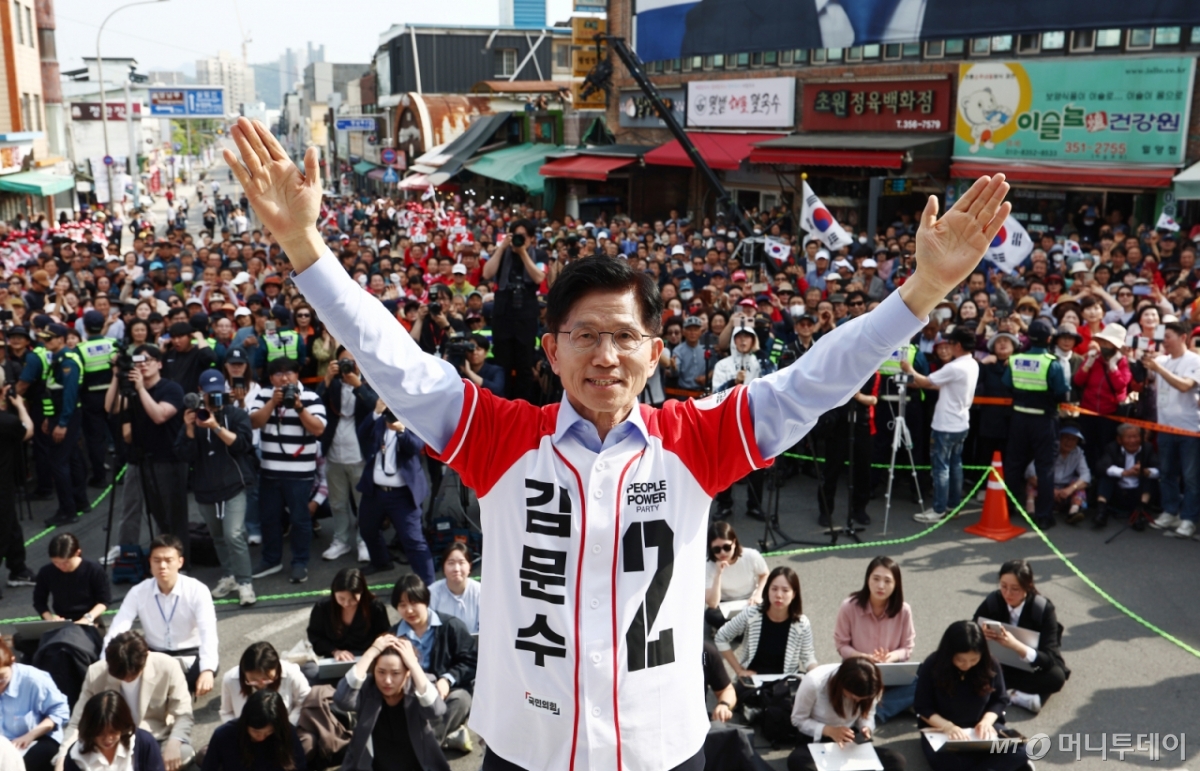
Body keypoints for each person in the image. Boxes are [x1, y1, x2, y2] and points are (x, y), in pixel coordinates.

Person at [226, 116, 1012, 771]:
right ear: (552, 349)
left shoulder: (695, 440)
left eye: (624, 336)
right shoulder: (502, 437)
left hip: (659, 747)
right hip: (527, 747)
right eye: (585, 335)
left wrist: (924, 293)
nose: (605, 355)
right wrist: (306, 248)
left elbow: (813, 380)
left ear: (656, 352)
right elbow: (392, 360)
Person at [102, 535, 219, 698]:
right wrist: (105, 663)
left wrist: (207, 670)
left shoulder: (198, 590)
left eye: (168, 560)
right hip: (153, 653)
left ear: (180, 562)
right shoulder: (138, 592)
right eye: (157, 560)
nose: (162, 565)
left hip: (191, 652)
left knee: (182, 682)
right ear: (149, 562)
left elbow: (208, 634)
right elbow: (117, 629)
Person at [176, 370, 257, 606]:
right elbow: (183, 455)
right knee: (218, 536)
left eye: (218, 392)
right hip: (205, 487)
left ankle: (245, 583)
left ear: (225, 390)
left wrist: (216, 427)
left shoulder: (236, 414)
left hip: (234, 485)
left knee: (234, 534)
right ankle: (229, 576)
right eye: (209, 393)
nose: (214, 397)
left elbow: (243, 445)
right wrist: (190, 428)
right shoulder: (193, 417)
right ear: (200, 392)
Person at [104, 346, 188, 560]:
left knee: (170, 514)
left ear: (159, 363)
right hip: (138, 458)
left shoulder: (171, 389)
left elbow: (160, 416)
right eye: (137, 361)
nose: (142, 364)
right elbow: (111, 407)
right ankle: (127, 552)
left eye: (148, 360)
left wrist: (141, 389)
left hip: (168, 459)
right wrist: (116, 374)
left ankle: (177, 559)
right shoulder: (130, 389)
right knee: (132, 508)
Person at [248, 359, 327, 584]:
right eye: (278, 374)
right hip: (270, 471)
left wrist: (299, 407)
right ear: (271, 378)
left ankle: (300, 563)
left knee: (300, 519)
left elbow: (319, 429)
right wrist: (272, 403)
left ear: (297, 375)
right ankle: (271, 560)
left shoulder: (311, 397)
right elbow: (253, 422)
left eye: (289, 373)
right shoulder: (263, 396)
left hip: (300, 473)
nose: (284, 378)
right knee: (270, 518)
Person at [913, 621, 1028, 771]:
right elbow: (922, 707)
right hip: (942, 730)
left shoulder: (990, 663)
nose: (967, 665)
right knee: (946, 763)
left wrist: (986, 721)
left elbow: (1000, 699)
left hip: (981, 729)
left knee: (1023, 750)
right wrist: (948, 727)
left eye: (974, 660)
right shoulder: (933, 664)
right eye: (960, 660)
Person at [333, 635, 450, 771]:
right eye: (381, 672)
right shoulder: (368, 688)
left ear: (407, 673)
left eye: (395, 673)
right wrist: (370, 653)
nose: (387, 680)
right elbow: (342, 700)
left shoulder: (418, 685)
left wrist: (413, 664)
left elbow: (435, 710)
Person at [390, 575, 476, 752]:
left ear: (426, 601)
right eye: (402, 605)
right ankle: (445, 737)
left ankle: (422, 746)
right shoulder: (394, 636)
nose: (409, 610)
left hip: (446, 692)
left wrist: (447, 679)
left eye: (414, 603)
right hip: (410, 693)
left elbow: (470, 660)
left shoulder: (451, 626)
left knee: (461, 699)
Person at [973, 560, 1069, 714]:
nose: (1008, 594)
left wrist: (1016, 646)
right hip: (999, 664)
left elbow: (1049, 657)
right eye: (1003, 586)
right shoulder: (994, 601)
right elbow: (970, 630)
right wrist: (979, 634)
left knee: (1056, 677)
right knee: (967, 665)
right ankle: (1013, 695)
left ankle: (1003, 693)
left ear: (1028, 586)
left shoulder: (1042, 609)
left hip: (1031, 667)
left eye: (1015, 589)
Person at [906, 327, 980, 523]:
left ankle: (938, 509)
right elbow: (936, 383)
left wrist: (909, 369)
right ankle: (952, 505)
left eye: (951, 343)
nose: (947, 346)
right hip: (961, 423)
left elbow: (924, 380)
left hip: (945, 424)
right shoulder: (972, 364)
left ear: (958, 345)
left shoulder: (954, 367)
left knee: (941, 468)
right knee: (955, 465)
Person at [1003, 320, 1071, 530]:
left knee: (1013, 463)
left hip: (1019, 418)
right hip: (1044, 419)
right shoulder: (1052, 363)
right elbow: (1063, 392)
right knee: (1045, 467)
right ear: (1049, 339)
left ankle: (1009, 506)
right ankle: (1044, 515)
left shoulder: (1015, 360)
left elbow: (1007, 384)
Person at [715, 566, 816, 704]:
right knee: (751, 696)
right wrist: (739, 670)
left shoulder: (801, 623)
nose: (779, 595)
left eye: (785, 590)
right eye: (774, 589)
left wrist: (819, 675)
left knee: (803, 697)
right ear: (767, 590)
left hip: (785, 680)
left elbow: (808, 657)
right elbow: (721, 637)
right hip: (754, 678)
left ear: (794, 594)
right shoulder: (752, 614)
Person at [832, 557, 915, 724]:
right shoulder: (849, 606)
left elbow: (907, 647)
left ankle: (873, 711)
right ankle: (879, 706)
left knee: (922, 683)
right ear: (867, 579)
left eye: (887, 581)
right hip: (858, 669)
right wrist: (863, 657)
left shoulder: (903, 610)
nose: (881, 586)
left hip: (888, 670)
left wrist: (890, 657)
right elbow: (842, 645)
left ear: (896, 584)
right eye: (876, 579)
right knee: (839, 686)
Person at [785, 658, 906, 771]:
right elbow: (798, 719)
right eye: (854, 697)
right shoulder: (814, 682)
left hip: (850, 738)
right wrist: (829, 730)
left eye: (863, 699)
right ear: (841, 685)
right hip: (817, 737)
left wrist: (865, 727)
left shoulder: (873, 686)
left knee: (896, 760)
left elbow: (868, 714)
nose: (858, 701)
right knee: (797, 760)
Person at [355, 402, 431, 582]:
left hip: (402, 494)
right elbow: (362, 434)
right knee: (367, 529)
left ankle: (428, 586)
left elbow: (415, 447)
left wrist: (401, 431)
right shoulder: (380, 419)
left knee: (413, 541)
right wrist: (375, 412)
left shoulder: (413, 419)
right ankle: (381, 561)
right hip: (375, 491)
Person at [1141, 322, 1200, 539]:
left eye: (1168, 336)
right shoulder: (1161, 360)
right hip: (1165, 427)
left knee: (1191, 476)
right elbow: (1144, 380)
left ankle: (1189, 519)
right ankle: (1170, 511)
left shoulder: (1195, 361)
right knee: (1167, 473)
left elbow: (1185, 386)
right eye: (1162, 337)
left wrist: (1159, 368)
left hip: (1189, 429)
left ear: (1182, 337)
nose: (1164, 341)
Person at [318, 351, 376, 564]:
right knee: (337, 503)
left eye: (352, 361)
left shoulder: (369, 382)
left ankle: (364, 541)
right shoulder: (332, 383)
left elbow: (376, 407)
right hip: (334, 453)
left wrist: (358, 385)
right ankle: (340, 540)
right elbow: (316, 403)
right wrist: (326, 379)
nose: (348, 365)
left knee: (363, 503)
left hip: (359, 453)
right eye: (344, 361)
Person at [482, 219, 545, 402]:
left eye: (523, 236)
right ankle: (502, 403)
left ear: (532, 238)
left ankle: (523, 405)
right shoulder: (502, 253)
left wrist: (523, 252)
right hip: (503, 314)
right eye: (515, 235)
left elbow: (539, 276)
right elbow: (486, 273)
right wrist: (501, 248)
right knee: (503, 364)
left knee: (524, 364)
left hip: (526, 314)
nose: (518, 239)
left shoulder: (539, 254)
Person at [40, 324, 89, 528]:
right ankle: (80, 501)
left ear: (61, 339)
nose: (46, 342)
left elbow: (69, 394)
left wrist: (62, 423)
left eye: (50, 338)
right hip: (60, 414)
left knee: (59, 463)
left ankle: (67, 510)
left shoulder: (68, 361)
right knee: (72, 457)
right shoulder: (59, 358)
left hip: (65, 415)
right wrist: (48, 418)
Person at [0, 636, 71, 771]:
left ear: (13, 662)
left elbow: (59, 712)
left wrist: (29, 736)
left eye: (1, 679)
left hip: (36, 739)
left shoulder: (34, 679)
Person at [305, 568, 392, 668]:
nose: (346, 603)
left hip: (368, 659)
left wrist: (373, 652)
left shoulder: (375, 607)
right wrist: (335, 651)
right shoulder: (322, 607)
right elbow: (315, 636)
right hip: (335, 659)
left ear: (362, 592)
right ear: (334, 592)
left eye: (352, 599)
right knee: (309, 670)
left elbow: (383, 634)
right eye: (341, 598)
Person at [202, 690, 305, 771]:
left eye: (268, 732)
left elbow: (300, 766)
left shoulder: (286, 732)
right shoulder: (224, 735)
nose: (261, 737)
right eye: (256, 731)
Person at [61, 691, 164, 771]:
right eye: (100, 733)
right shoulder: (75, 756)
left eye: (113, 732)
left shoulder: (144, 743)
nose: (108, 739)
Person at [219, 643, 310, 725]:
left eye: (266, 679)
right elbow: (226, 712)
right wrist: (240, 732)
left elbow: (305, 700)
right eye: (253, 680)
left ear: (277, 669)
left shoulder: (292, 673)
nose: (261, 684)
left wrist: (288, 725)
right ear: (243, 673)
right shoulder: (230, 679)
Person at [33, 533, 111, 626]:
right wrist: (50, 619)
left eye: (66, 562)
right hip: (62, 620)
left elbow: (104, 601)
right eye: (56, 562)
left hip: (89, 620)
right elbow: (39, 601)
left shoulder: (94, 570)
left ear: (77, 553)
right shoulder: (46, 572)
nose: (61, 566)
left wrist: (87, 619)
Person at [0, 384, 35, 592]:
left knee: (11, 525)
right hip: (2, 486)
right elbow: (27, 430)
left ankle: (18, 568)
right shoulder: (6, 421)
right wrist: (20, 406)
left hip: (6, 486)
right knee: (3, 528)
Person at [76, 311, 117, 489]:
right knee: (118, 435)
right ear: (103, 325)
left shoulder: (79, 349)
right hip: (114, 395)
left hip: (90, 397)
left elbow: (79, 377)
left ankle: (99, 477)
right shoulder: (114, 344)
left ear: (84, 327)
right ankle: (123, 472)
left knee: (95, 439)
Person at [704, 522, 768, 632]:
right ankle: (746, 630)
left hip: (750, 600)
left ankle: (733, 631)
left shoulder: (750, 555)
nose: (722, 552)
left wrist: (758, 594)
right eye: (716, 549)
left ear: (734, 542)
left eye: (726, 547)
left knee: (774, 605)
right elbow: (713, 603)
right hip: (725, 603)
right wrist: (718, 574)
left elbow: (765, 574)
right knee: (710, 615)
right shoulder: (708, 565)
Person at [1092, 424, 1159, 528]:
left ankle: (1140, 512)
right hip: (1118, 492)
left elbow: (1159, 469)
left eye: (1136, 437)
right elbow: (1101, 466)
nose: (1133, 441)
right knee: (1106, 477)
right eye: (1129, 437)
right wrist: (1124, 472)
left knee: (1150, 478)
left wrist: (1145, 471)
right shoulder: (1112, 448)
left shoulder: (1148, 448)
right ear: (1119, 439)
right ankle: (1101, 511)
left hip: (1138, 494)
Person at [1025, 424, 1090, 523]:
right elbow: (1030, 472)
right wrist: (1049, 489)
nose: (1069, 442)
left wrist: (1070, 489)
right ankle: (1030, 511)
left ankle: (1073, 513)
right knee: (1032, 482)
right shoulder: (1049, 449)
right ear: (1059, 439)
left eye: (1074, 440)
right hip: (1045, 487)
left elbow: (1086, 476)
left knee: (1078, 482)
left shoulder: (1078, 453)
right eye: (1066, 438)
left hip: (1064, 491)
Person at [428, 544, 481, 635]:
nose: (456, 569)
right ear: (443, 567)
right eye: (451, 563)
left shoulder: (481, 591)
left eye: (461, 563)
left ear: (470, 566)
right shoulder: (432, 593)